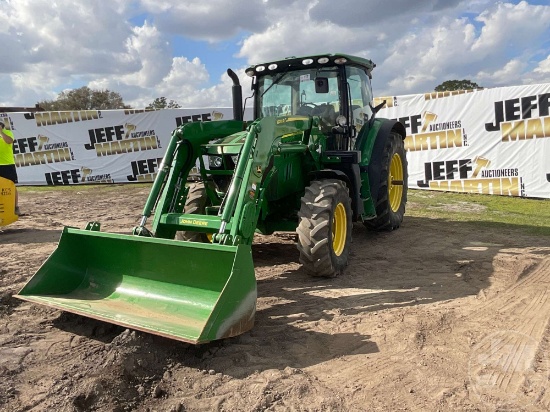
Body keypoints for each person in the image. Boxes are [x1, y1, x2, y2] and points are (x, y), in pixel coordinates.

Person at [0, 121, 20, 215]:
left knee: (11, 185)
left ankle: (15, 207)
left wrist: (1, 132)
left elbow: (9, 141)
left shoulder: (7, 133)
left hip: (7, 165)